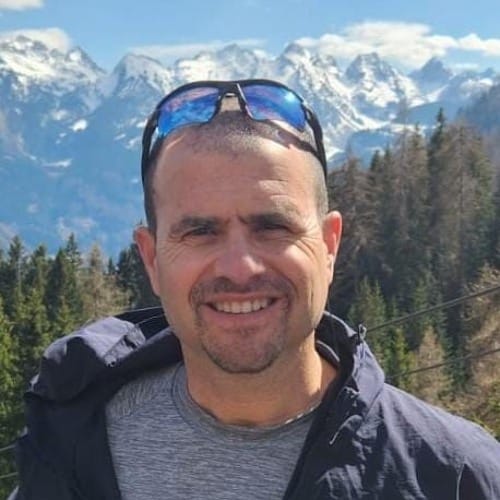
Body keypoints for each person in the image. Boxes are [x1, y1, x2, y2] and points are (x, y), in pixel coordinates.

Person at [12, 79, 500, 499]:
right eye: (200, 231)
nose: (239, 267)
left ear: (329, 246)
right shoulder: (69, 440)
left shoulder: (456, 477)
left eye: (273, 227)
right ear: (152, 259)